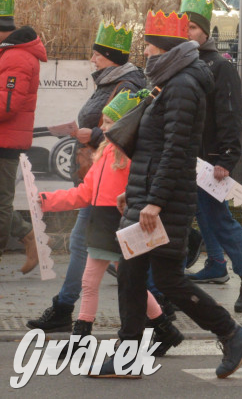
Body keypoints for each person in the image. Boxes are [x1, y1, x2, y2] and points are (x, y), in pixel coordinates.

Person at [93, 10, 242, 379]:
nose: (145, 52)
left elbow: (177, 150)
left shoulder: (182, 86)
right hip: (155, 195)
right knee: (144, 275)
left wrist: (153, 201)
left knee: (152, 276)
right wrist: (138, 196)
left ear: (164, 48)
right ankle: (225, 335)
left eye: (149, 45)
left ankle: (229, 333)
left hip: (163, 201)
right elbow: (155, 148)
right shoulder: (171, 81)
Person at [39, 90, 183, 358]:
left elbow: (140, 189)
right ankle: (163, 329)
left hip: (119, 224)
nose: (101, 128)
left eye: (107, 123)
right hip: (104, 226)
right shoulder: (104, 155)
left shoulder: (129, 157)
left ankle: (82, 339)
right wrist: (46, 200)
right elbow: (84, 194)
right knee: (117, 282)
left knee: (102, 282)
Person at [28, 21, 147, 329]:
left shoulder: (126, 85)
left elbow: (126, 132)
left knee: (105, 254)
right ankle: (159, 316)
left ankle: (67, 310)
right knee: (110, 257)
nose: (92, 60)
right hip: (98, 178)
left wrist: (91, 135)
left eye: (97, 54)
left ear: (110, 56)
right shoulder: (110, 81)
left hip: (109, 187)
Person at [179, 0, 242, 312]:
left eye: (192, 26)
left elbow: (229, 114)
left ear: (205, 31)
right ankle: (218, 265)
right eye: (183, 26)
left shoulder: (220, 67)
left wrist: (226, 157)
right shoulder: (184, 63)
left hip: (209, 161)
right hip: (190, 158)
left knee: (217, 217)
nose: (187, 32)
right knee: (205, 216)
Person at [0, 0, 46, 274]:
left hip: (4, 141)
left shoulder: (16, 56)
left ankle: (29, 238)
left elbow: (7, 105)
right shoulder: (9, 54)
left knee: (1, 203)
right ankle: (30, 237)